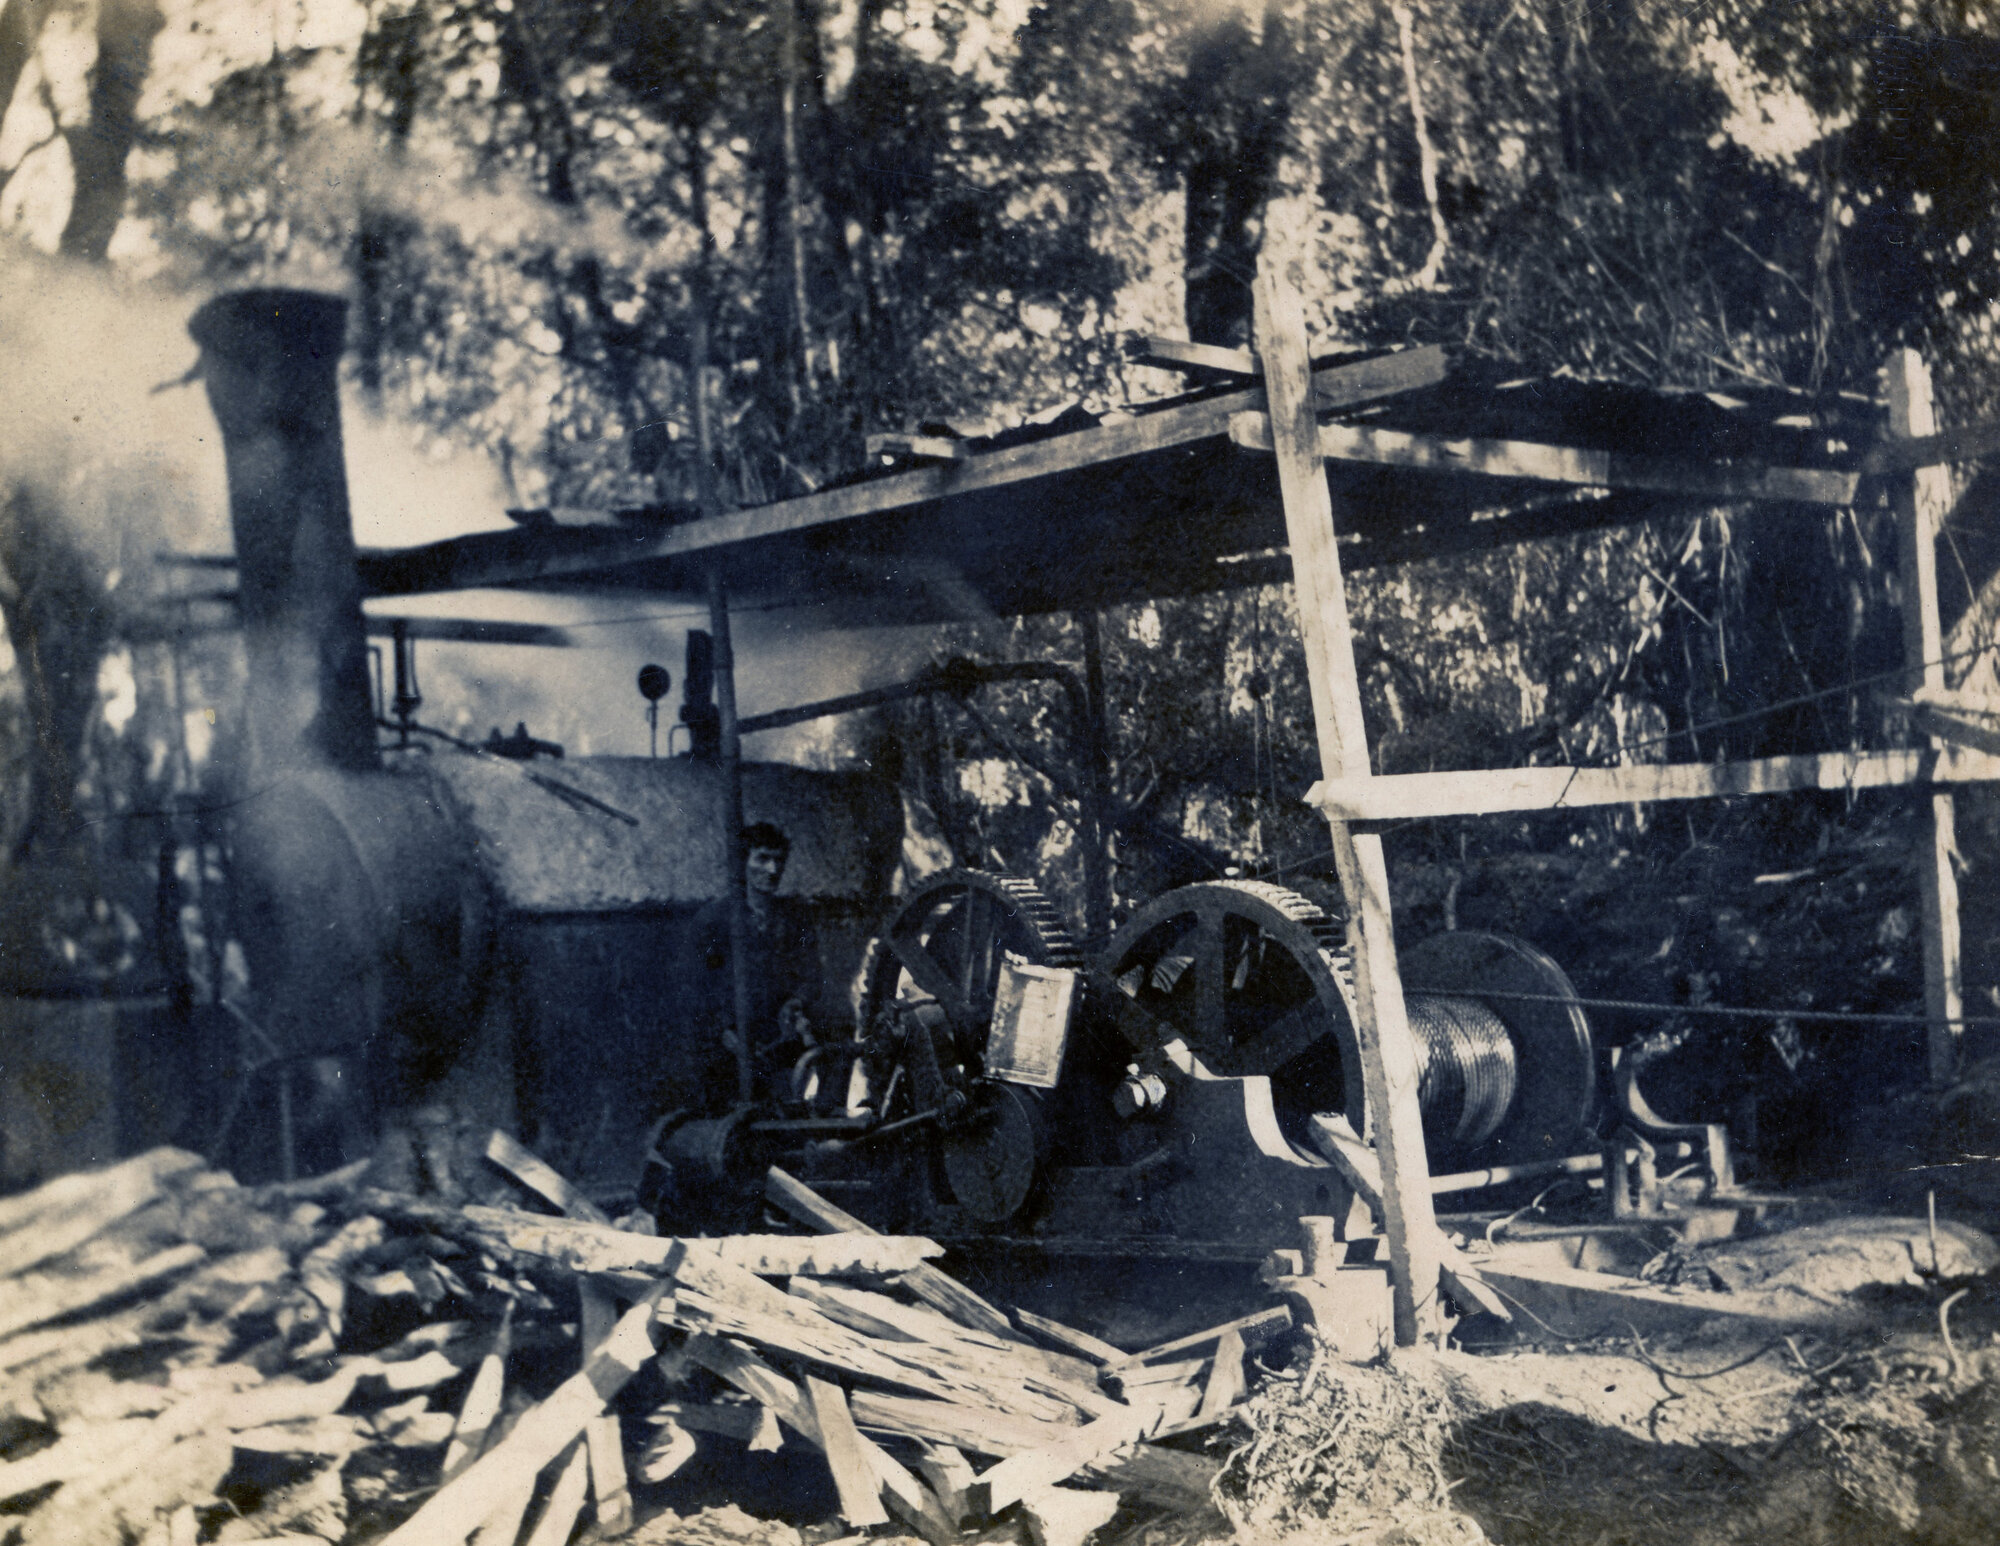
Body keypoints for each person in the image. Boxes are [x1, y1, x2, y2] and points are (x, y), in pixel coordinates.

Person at [688, 822, 820, 1108]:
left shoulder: (794, 917)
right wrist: (725, 1031)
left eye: (779, 860)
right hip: (728, 1047)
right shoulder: (714, 920)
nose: (773, 870)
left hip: (781, 1039)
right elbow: (698, 988)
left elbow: (811, 974)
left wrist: (796, 1004)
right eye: (762, 858)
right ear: (742, 862)